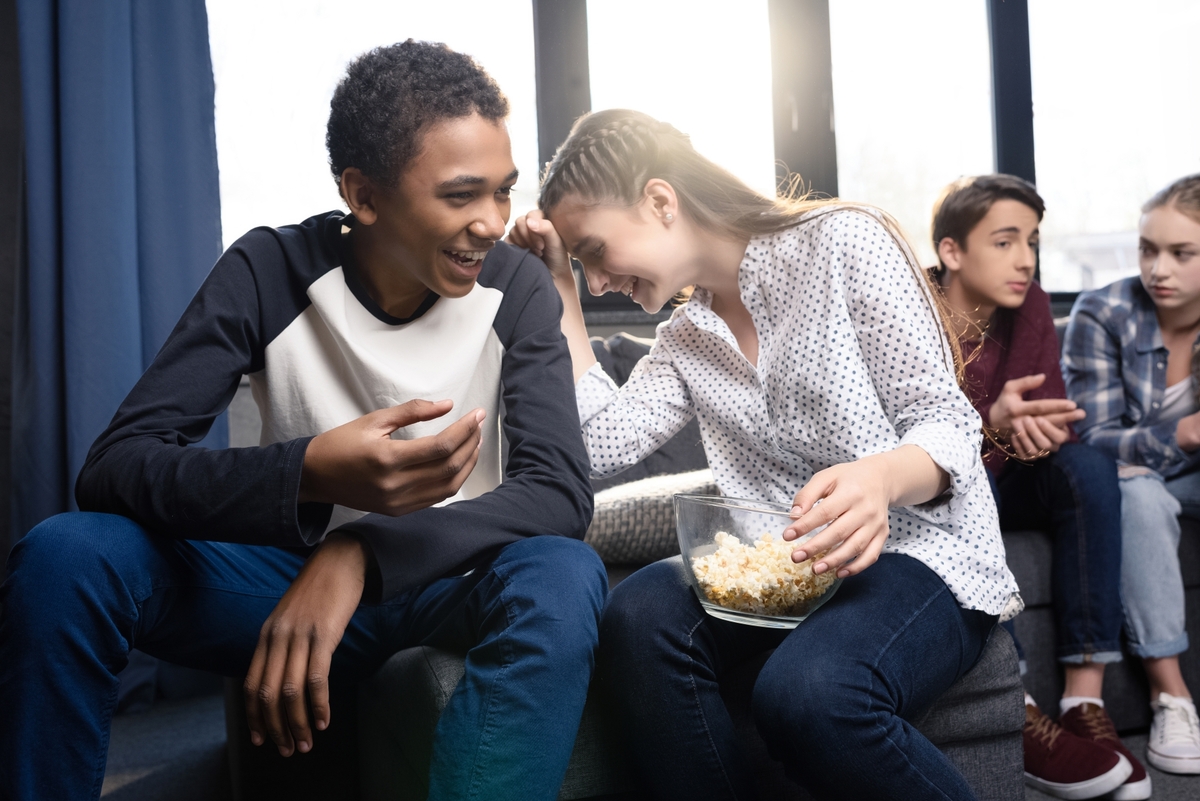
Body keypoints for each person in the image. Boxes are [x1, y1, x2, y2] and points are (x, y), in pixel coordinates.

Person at [0, 40, 604, 801]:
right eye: (460, 195)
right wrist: (309, 470)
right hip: (278, 580)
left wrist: (357, 551)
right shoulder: (267, 270)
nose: (492, 222)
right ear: (364, 193)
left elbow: (558, 492)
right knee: (64, 556)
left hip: (449, 578)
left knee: (563, 569)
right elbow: (116, 465)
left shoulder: (516, 288)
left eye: (503, 191)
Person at [508, 108, 1022, 801]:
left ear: (661, 201)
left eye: (594, 252)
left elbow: (945, 421)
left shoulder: (845, 241)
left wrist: (880, 479)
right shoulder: (688, 337)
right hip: (785, 568)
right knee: (636, 615)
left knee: (807, 691)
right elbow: (598, 443)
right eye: (583, 267)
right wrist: (560, 291)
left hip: (922, 552)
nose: (598, 280)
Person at [932, 174, 1144, 799]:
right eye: (1004, 241)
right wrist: (991, 425)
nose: (1025, 258)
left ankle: (1083, 701)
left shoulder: (1030, 310)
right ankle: (1014, 703)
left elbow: (1046, 417)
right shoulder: (908, 310)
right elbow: (904, 445)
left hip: (1005, 468)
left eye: (1032, 241)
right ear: (952, 251)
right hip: (940, 483)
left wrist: (1035, 433)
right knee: (974, 485)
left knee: (1089, 468)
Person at [1063, 172, 1200, 777]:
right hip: (1134, 478)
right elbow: (1095, 439)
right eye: (1148, 250)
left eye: (1180, 253)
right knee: (1138, 496)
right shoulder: (1105, 311)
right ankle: (1171, 696)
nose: (1158, 269)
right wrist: (1184, 432)